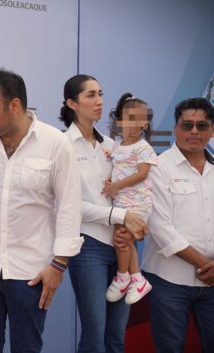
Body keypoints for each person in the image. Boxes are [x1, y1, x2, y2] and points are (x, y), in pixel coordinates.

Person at [0, 69, 83, 353]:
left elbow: (70, 208)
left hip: (31, 273)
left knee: (27, 348)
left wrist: (58, 266)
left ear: (14, 106)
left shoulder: (56, 144)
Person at [59, 75, 148, 353]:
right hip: (88, 248)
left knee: (117, 338)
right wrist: (119, 216)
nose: (99, 102)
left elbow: (137, 187)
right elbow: (69, 205)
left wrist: (137, 222)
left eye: (100, 94)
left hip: (123, 244)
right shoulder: (62, 146)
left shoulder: (113, 145)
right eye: (90, 95)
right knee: (95, 338)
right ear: (72, 103)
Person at [141, 97, 214, 353]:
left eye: (202, 126)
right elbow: (161, 229)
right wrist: (207, 266)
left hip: (212, 283)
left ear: (211, 130)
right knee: (170, 347)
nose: (194, 131)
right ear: (175, 129)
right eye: (187, 125)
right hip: (169, 280)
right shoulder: (157, 168)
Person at [102, 93, 157, 305]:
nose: (132, 123)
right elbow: (116, 169)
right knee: (124, 240)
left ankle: (123, 275)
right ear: (119, 121)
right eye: (128, 117)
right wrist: (110, 181)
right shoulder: (116, 146)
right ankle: (136, 278)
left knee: (122, 238)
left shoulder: (143, 147)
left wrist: (116, 186)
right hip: (121, 203)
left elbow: (142, 173)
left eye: (138, 119)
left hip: (138, 203)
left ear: (145, 123)